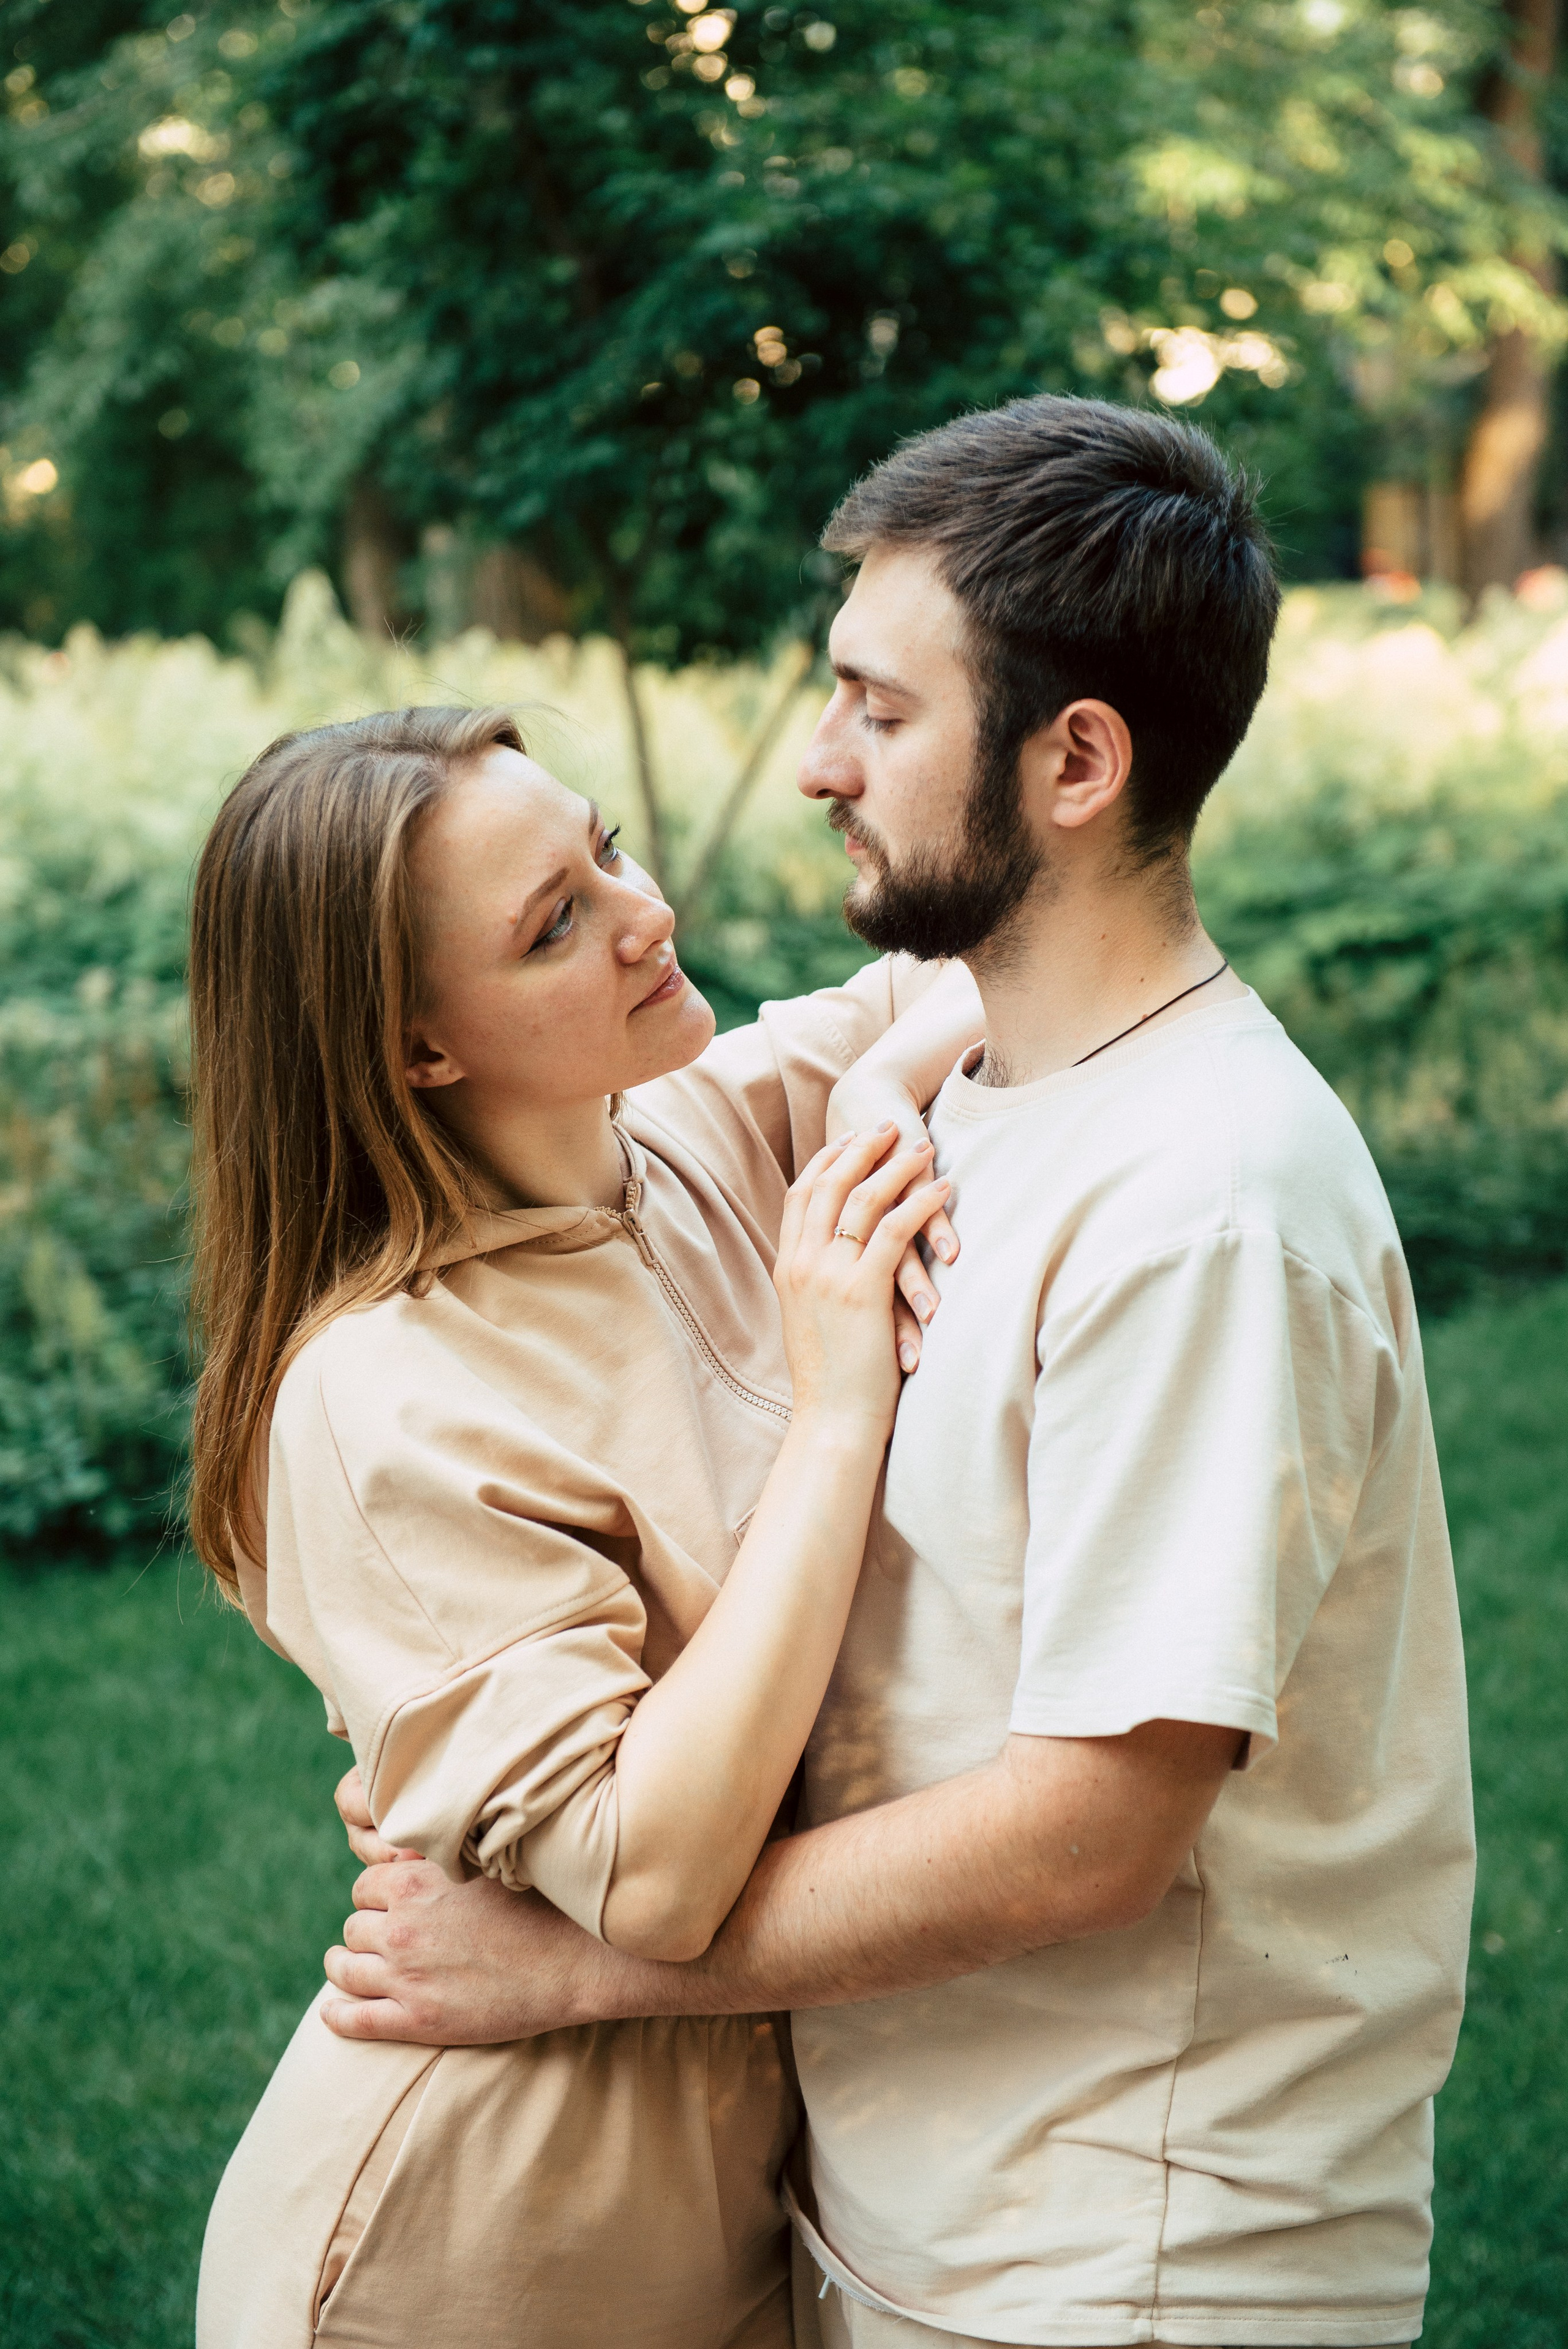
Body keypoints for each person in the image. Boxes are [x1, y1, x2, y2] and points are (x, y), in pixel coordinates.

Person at [323, 397, 1476, 2349]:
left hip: (1141, 2259)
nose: (818, 766)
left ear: (1078, 761)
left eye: (877, 708)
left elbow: (1089, 1829)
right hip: (935, 2226)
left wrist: (577, 1965)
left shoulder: (1203, 1208)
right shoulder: (995, 1084)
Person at [186, 700, 986, 2349]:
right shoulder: (379, 1396)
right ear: (418, 1046)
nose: (648, 914)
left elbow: (1001, 962)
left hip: (728, 2212)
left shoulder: (677, 1131)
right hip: (465, 2250)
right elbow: (664, 1871)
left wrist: (896, 1088)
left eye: (604, 848)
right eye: (557, 924)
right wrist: (843, 1404)